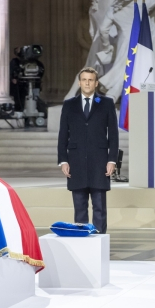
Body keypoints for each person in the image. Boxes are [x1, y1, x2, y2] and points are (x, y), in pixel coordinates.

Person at [58, 67, 118, 234]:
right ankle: (83, 243)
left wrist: (112, 160)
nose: (87, 82)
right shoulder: (69, 105)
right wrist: (63, 160)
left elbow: (113, 134)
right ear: (79, 82)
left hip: (99, 163)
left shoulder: (106, 103)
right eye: (84, 79)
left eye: (90, 80)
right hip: (76, 162)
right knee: (80, 207)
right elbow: (63, 134)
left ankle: (98, 243)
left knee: (99, 207)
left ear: (96, 83)